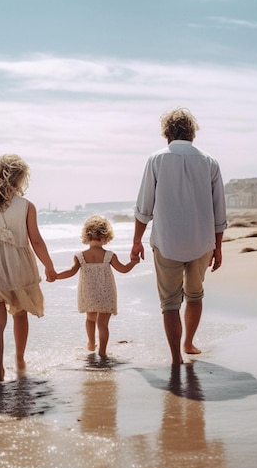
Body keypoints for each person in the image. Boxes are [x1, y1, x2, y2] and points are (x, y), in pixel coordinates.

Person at [131, 108, 227, 365]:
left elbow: (144, 207)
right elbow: (219, 210)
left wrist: (136, 241)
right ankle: (188, 343)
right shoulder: (210, 161)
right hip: (202, 241)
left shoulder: (156, 159)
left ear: (168, 133)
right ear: (192, 133)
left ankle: (176, 358)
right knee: (195, 295)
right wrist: (218, 247)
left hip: (166, 242)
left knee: (170, 302)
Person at [0, 154, 57, 381]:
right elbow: (35, 240)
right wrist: (49, 265)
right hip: (19, 267)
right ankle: (20, 358)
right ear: (19, 179)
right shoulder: (26, 206)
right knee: (20, 314)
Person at [55, 214, 139, 357]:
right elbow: (123, 269)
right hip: (106, 294)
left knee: (90, 319)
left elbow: (71, 272)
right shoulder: (109, 255)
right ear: (106, 236)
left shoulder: (80, 256)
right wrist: (133, 262)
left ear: (86, 235)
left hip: (89, 294)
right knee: (103, 324)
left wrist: (56, 276)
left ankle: (91, 343)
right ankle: (102, 351)